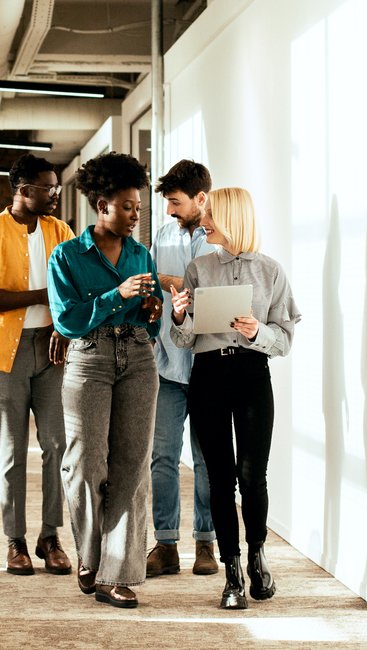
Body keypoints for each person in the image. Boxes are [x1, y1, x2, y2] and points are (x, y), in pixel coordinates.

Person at [169, 187, 301, 610]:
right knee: (218, 479)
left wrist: (255, 332)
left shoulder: (271, 272)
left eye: (208, 215)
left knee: (252, 475)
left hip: (251, 374)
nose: (201, 221)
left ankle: (259, 556)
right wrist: (178, 315)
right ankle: (232, 573)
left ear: (230, 218)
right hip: (208, 375)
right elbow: (186, 339)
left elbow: (284, 340)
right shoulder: (198, 268)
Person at [47, 152, 163, 609]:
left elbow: (151, 324)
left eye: (139, 207)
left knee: (132, 468)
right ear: (102, 205)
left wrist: (153, 314)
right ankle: (89, 556)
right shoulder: (68, 256)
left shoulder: (141, 254)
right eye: (128, 206)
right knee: (84, 464)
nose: (136, 214)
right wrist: (118, 295)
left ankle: (116, 574)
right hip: (89, 358)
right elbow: (68, 319)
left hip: (137, 357)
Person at [0, 154, 75, 576]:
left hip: (52, 351)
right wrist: (41, 296)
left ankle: (50, 536)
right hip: (5, 354)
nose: (56, 196)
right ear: (24, 190)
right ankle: (15, 541)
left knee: (56, 446)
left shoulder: (60, 231)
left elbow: (75, 286)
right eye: (49, 189)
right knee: (11, 451)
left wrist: (60, 322)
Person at [146, 160, 218, 577]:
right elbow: (157, 292)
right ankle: (166, 543)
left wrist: (169, 280)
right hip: (169, 365)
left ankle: (205, 545)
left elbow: (213, 293)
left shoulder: (220, 238)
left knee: (207, 460)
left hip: (208, 365)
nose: (171, 210)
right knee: (163, 458)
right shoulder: (162, 234)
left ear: (200, 199)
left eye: (176, 202)